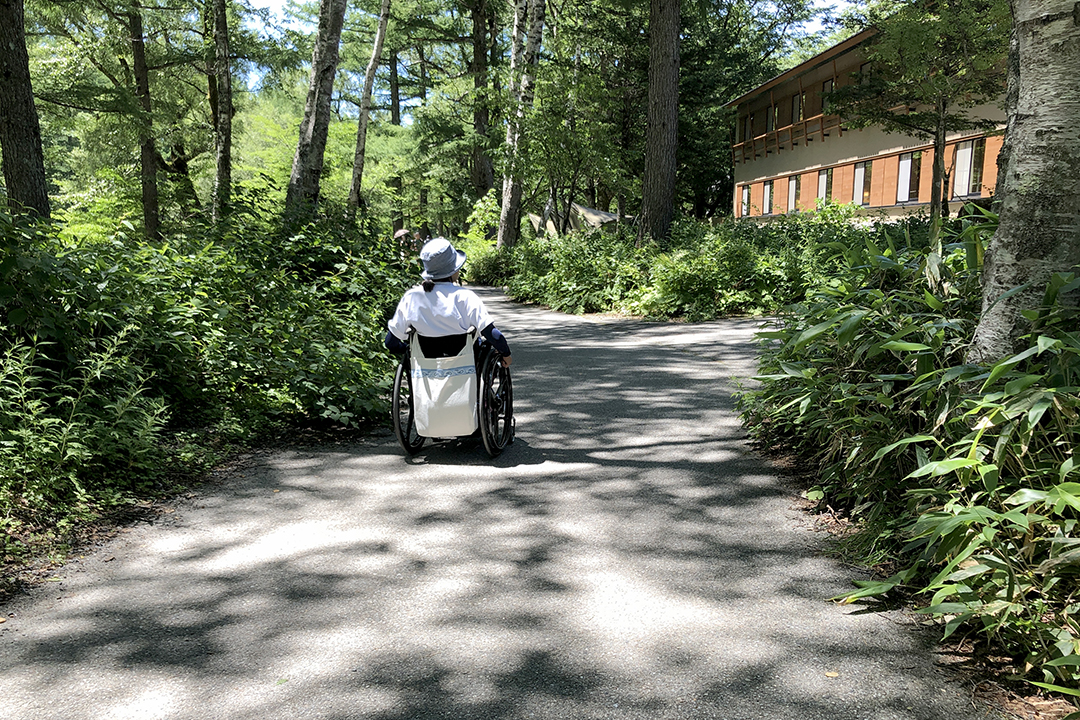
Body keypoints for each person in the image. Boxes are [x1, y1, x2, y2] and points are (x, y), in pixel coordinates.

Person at [385, 237, 513, 367]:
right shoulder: (465, 297)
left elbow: (390, 343)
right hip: (464, 366)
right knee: (482, 344)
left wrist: (409, 352)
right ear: (453, 270)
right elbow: (492, 334)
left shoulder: (412, 297)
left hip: (424, 369)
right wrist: (505, 353)